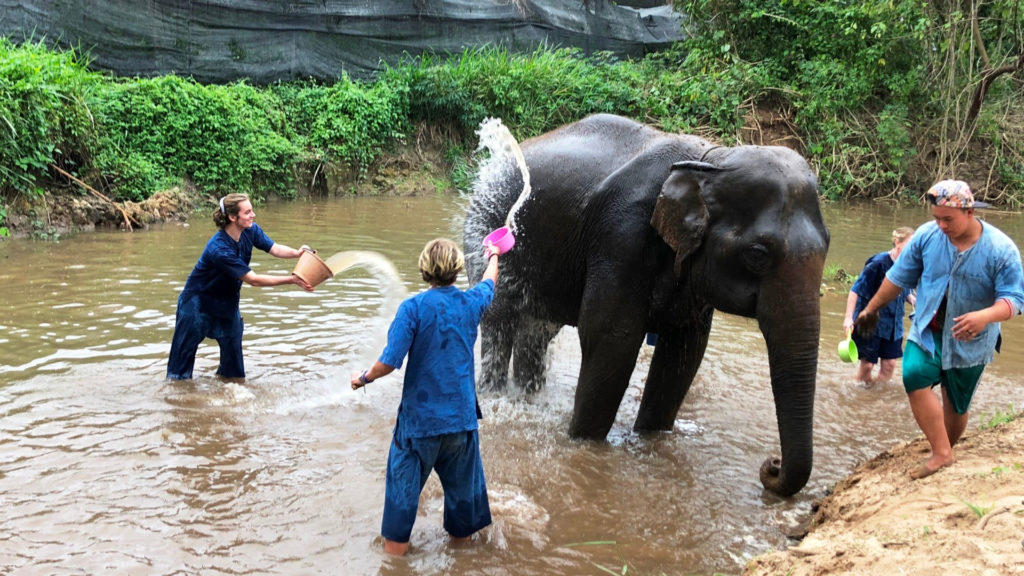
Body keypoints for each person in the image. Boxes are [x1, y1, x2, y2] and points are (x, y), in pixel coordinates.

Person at [855, 180, 1024, 480]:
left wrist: (985, 316)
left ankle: (943, 448)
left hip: (972, 339)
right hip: (928, 330)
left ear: (970, 212)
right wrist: (872, 308)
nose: (941, 225)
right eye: (936, 218)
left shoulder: (1001, 249)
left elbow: (1014, 299)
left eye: (948, 219)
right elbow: (898, 277)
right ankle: (942, 453)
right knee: (913, 374)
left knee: (956, 404)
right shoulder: (927, 236)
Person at [351, 238, 500, 556]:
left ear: (424, 269)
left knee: (401, 503)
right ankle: (461, 561)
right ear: (457, 269)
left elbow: (389, 362)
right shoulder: (471, 302)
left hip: (419, 425)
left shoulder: (412, 309)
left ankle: (394, 564)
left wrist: (362, 378)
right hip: (461, 422)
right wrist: (495, 254)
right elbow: (490, 282)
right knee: (463, 511)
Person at [167, 193, 314, 381]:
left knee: (234, 372)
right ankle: (177, 405)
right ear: (232, 217)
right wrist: (292, 280)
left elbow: (274, 248)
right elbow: (253, 280)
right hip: (196, 306)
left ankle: (230, 400)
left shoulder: (250, 231)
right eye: (248, 212)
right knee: (178, 375)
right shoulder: (219, 248)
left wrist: (297, 253)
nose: (253, 215)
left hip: (226, 305)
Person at [842, 226, 916, 384]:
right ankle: (859, 392)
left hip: (894, 325)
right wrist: (848, 318)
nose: (912, 250)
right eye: (909, 244)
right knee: (868, 365)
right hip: (871, 322)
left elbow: (905, 290)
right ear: (897, 243)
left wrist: (912, 299)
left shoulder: (909, 265)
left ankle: (874, 395)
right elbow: (855, 290)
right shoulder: (878, 263)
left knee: (889, 365)